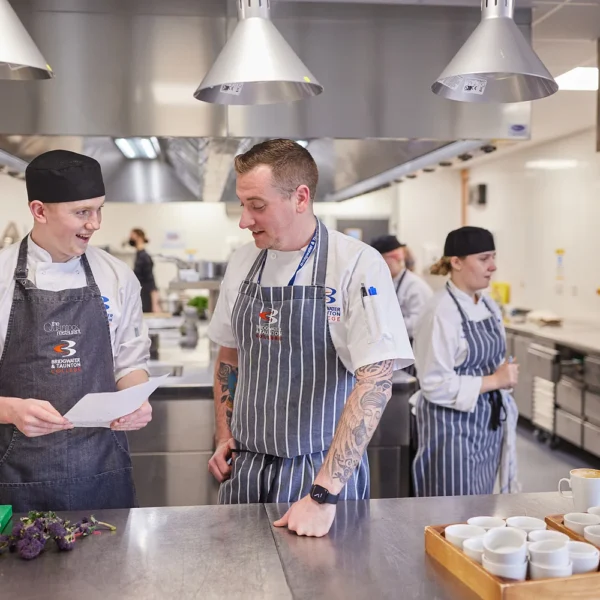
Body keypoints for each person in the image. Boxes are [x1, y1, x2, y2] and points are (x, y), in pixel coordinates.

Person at [207, 139, 413, 537]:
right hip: (246, 469)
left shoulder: (355, 264)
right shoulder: (243, 261)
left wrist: (322, 494)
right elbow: (229, 354)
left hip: (321, 473)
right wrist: (224, 433)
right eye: (242, 204)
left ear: (300, 198)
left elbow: (375, 382)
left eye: (257, 205)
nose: (244, 220)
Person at [0, 149, 153, 512]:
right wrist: (9, 409)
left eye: (99, 209)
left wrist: (137, 400)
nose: (95, 223)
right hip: (13, 477)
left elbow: (130, 361)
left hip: (103, 471)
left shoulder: (117, 276)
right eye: (82, 212)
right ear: (39, 211)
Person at [411, 226, 520, 497]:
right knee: (452, 508)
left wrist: (503, 373)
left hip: (487, 424)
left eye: (493, 257)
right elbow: (434, 384)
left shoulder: (488, 305)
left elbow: (494, 360)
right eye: (484, 259)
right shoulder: (440, 312)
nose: (493, 266)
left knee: (481, 503)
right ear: (456, 262)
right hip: (452, 430)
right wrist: (496, 380)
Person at [370, 235, 432, 343]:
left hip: (412, 345)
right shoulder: (386, 283)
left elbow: (418, 323)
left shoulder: (415, 286)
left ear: (394, 258)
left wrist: (387, 327)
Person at [128, 228, 161, 313]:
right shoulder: (138, 255)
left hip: (145, 298)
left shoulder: (144, 257)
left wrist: (155, 304)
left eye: (132, 236)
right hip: (140, 296)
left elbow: (151, 281)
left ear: (140, 237)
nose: (130, 239)